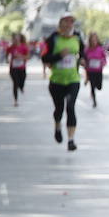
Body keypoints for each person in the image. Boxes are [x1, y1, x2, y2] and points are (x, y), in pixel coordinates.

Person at [42, 14, 85, 151]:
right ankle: (57, 126)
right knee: (59, 109)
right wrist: (59, 56)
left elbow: (83, 53)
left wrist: (83, 60)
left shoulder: (77, 37)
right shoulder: (53, 38)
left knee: (71, 107)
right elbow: (44, 58)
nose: (69, 25)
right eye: (66, 22)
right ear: (61, 24)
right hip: (56, 81)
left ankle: (71, 140)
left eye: (71, 22)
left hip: (73, 79)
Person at [83, 32, 107, 108]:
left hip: (99, 71)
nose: (94, 41)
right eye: (92, 39)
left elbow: (104, 58)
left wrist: (103, 62)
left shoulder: (100, 48)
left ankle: (94, 86)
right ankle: (94, 101)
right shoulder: (87, 49)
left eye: (95, 39)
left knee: (99, 87)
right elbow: (84, 59)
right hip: (90, 71)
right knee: (92, 86)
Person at [7, 32, 31, 106]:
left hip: (22, 68)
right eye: (15, 38)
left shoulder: (24, 47)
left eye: (17, 38)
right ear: (13, 39)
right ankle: (15, 101)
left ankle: (21, 87)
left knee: (22, 81)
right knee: (15, 83)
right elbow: (7, 55)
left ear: (20, 39)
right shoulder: (10, 47)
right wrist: (8, 59)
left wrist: (21, 56)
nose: (16, 40)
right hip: (13, 68)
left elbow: (28, 57)